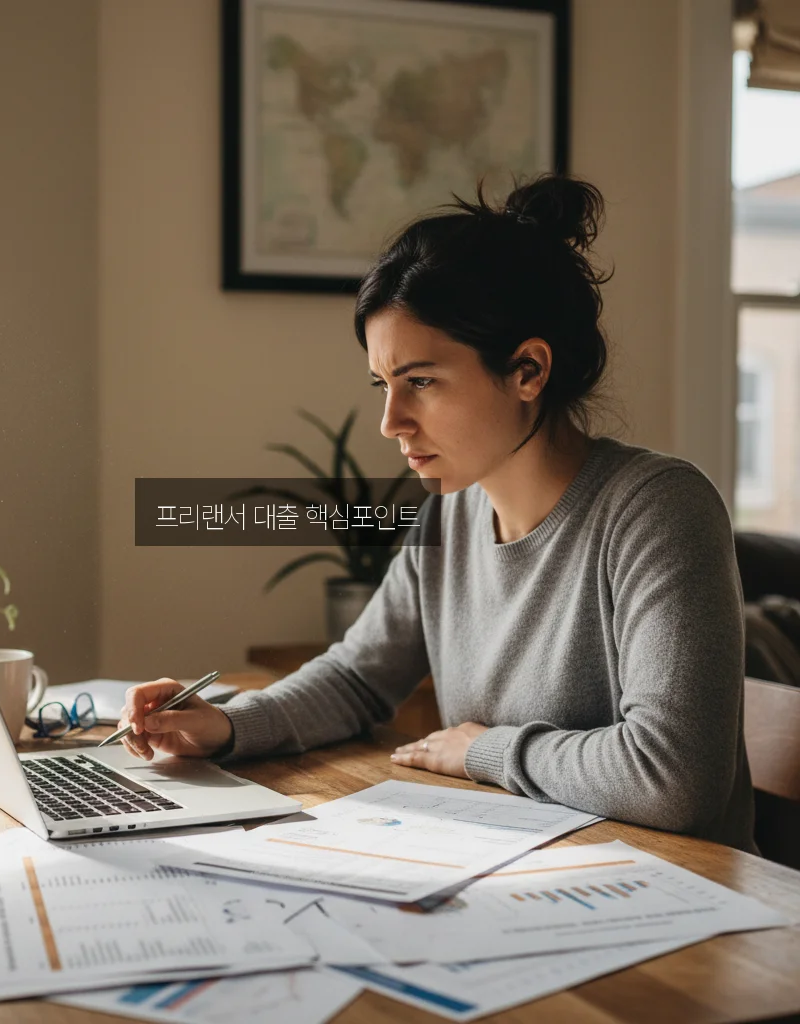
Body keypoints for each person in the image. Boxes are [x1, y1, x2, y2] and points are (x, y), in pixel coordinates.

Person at [120, 175, 756, 852]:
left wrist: (488, 751)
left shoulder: (657, 508)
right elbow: (356, 677)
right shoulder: (451, 517)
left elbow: (673, 776)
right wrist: (227, 726)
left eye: (420, 381)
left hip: (680, 906)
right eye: (383, 385)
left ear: (528, 371)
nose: (391, 422)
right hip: (521, 872)